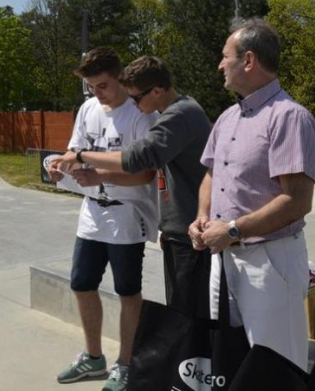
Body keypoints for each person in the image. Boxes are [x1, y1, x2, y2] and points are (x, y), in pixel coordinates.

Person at [187, 18, 315, 370]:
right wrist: (203, 217)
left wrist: (232, 229)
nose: (220, 65)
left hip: (269, 260)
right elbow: (211, 174)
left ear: (248, 60)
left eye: (225, 56)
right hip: (224, 257)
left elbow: (297, 201)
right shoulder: (228, 117)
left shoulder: (289, 118)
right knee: (230, 356)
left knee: (275, 362)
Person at [53, 55, 212, 318]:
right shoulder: (178, 111)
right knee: (183, 308)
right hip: (180, 228)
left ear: (157, 91)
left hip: (189, 230)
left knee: (188, 313)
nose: (135, 105)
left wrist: (82, 156)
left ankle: (191, 359)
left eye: (137, 98)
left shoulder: (179, 115)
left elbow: (136, 160)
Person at [47, 47, 158, 391]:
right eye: (91, 86)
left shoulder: (140, 115)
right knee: (81, 284)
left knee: (127, 291)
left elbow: (145, 175)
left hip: (126, 217)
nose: (97, 93)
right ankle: (93, 357)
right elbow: (75, 152)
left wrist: (101, 177)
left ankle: (125, 364)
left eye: (104, 85)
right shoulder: (88, 109)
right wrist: (59, 165)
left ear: (120, 76)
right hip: (91, 215)